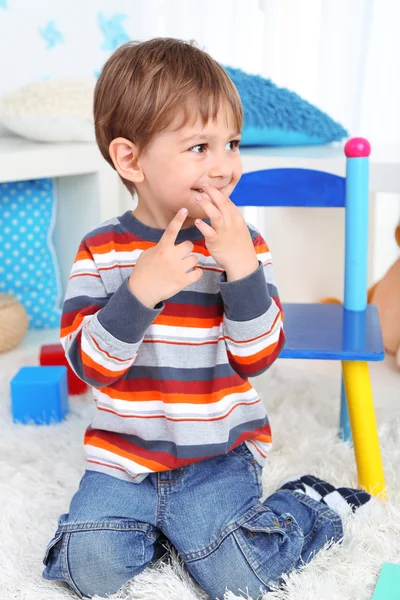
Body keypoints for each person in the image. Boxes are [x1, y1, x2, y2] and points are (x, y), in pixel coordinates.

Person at [42, 38, 378, 600]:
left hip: (217, 456)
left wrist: (242, 270)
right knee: (86, 569)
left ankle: (309, 504)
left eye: (231, 143)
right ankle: (166, 530)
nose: (224, 165)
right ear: (130, 160)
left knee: (237, 576)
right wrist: (141, 290)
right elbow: (91, 367)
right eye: (199, 146)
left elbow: (259, 356)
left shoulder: (242, 245)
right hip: (124, 457)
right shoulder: (99, 250)